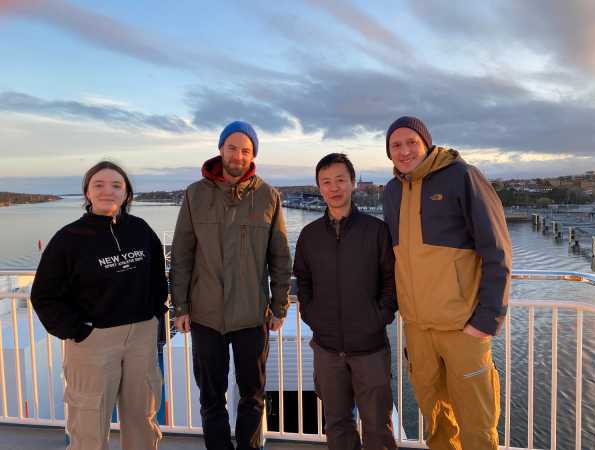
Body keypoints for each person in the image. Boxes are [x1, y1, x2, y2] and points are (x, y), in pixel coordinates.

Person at [383, 116, 512, 449]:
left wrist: (487, 319)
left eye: (411, 142)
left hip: (463, 327)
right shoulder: (392, 191)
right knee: (437, 422)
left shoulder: (462, 176)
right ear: (388, 152)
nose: (404, 150)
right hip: (418, 329)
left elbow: (497, 250)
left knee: (477, 425)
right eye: (396, 145)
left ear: (426, 142)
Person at [169, 120, 291, 450]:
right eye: (232, 147)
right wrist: (179, 306)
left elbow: (280, 256)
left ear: (253, 155)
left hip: (252, 316)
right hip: (206, 315)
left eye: (246, 150)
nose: (238, 155)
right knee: (211, 398)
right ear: (221, 148)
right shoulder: (195, 195)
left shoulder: (269, 196)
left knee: (253, 397)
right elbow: (181, 254)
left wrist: (279, 306)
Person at [31, 161, 168, 450]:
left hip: (141, 337)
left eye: (116, 185)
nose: (108, 191)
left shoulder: (141, 230)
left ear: (126, 193)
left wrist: (156, 317)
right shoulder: (69, 239)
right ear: (87, 192)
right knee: (88, 424)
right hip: (93, 341)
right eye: (99, 185)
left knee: (142, 417)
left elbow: (158, 279)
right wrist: (78, 329)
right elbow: (44, 295)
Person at [293, 153, 398, 450]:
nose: (334, 187)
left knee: (378, 427)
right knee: (337, 425)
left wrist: (379, 317)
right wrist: (312, 315)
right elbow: (303, 280)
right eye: (326, 182)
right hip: (326, 349)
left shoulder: (376, 231)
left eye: (340, 180)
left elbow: (391, 281)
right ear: (319, 187)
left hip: (370, 348)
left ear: (352, 183)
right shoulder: (309, 236)